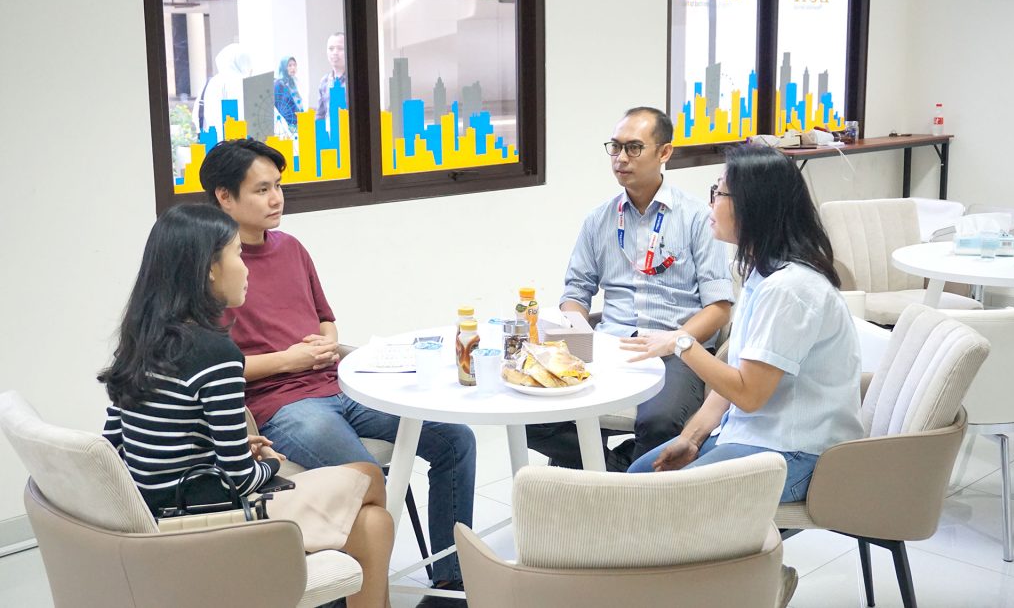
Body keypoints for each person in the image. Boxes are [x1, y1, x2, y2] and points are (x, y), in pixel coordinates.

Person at [198, 139, 475, 606]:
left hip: (339, 384)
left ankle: (450, 582)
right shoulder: (214, 269)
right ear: (224, 196)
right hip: (282, 405)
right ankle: (359, 593)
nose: (276, 199)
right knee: (366, 479)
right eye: (262, 190)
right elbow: (214, 367)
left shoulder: (291, 248)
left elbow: (325, 318)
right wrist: (290, 360)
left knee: (456, 439)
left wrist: (326, 341)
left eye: (278, 186)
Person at [99, 204, 394, 608]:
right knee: (370, 476)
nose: (247, 268)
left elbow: (114, 442)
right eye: (237, 254)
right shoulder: (215, 352)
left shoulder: (140, 338)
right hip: (212, 516)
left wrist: (224, 448)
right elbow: (240, 479)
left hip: (159, 511)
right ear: (210, 269)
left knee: (374, 524)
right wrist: (269, 463)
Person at [622, 144, 864, 504]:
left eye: (718, 193)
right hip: (751, 436)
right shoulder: (762, 272)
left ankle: (736, 543)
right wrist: (692, 437)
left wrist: (682, 343)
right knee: (638, 479)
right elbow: (735, 378)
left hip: (797, 452)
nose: (711, 203)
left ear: (753, 205)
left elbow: (748, 394)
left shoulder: (789, 289)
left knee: (663, 502)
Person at [526, 106, 734, 471]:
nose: (621, 158)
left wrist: (675, 340)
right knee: (533, 416)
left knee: (659, 423)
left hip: (677, 349)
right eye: (616, 147)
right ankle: (618, 474)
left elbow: (719, 307)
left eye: (634, 148)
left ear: (664, 152)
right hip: (613, 345)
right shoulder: (599, 219)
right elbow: (575, 292)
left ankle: (621, 485)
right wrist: (578, 335)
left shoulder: (697, 217)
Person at [192, 43, 253, 139]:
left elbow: (196, 115)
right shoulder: (241, 83)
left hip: (212, 143)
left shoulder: (209, 82)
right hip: (237, 144)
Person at [316, 32, 347, 121]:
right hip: (330, 129)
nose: (335, 53)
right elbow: (320, 115)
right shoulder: (324, 81)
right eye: (331, 49)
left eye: (340, 48)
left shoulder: (356, 80)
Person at [274, 55, 303, 135]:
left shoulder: (294, 82)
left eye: (294, 65)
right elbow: (282, 108)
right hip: (287, 126)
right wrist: (291, 126)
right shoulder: (279, 84)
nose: (293, 68)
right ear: (284, 67)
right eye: (289, 65)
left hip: (299, 123)